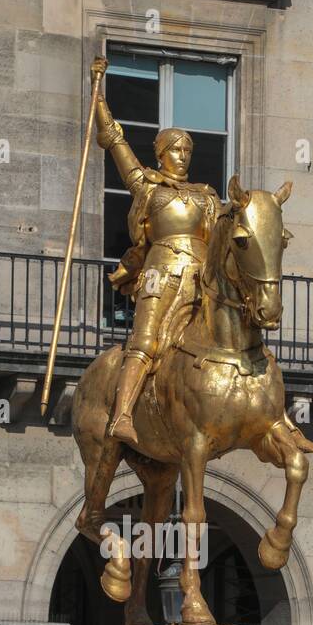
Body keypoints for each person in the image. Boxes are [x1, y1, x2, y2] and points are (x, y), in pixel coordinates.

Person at [92, 56, 221, 446]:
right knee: (146, 341)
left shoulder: (206, 196)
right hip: (159, 273)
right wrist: (98, 94)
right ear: (160, 153)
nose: (183, 156)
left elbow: (223, 239)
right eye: (176, 149)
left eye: (187, 150)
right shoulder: (148, 188)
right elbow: (115, 142)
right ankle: (123, 415)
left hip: (201, 277)